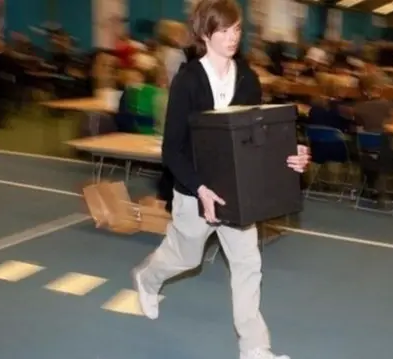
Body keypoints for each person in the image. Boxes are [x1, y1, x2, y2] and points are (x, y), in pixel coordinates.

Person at [131, 1, 310, 359]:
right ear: (204, 34)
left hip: (236, 192)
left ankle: (255, 347)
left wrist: (292, 154)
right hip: (194, 190)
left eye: (237, 30)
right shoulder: (188, 81)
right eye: (224, 30)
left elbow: (255, 139)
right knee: (185, 257)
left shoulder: (248, 78)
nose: (233, 37)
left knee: (248, 264)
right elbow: (173, 151)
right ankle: (147, 279)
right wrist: (200, 190)